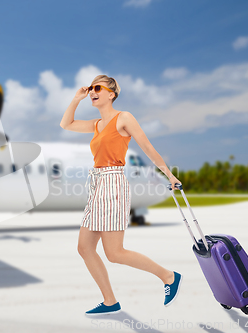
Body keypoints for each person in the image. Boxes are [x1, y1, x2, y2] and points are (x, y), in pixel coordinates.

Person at [60, 75, 183, 316]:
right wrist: (77, 98)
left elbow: (147, 148)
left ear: (111, 94)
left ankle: (168, 277)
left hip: (113, 183)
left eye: (98, 88)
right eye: (91, 88)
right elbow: (66, 124)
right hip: (96, 184)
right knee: (85, 248)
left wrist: (169, 175)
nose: (93, 92)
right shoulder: (96, 124)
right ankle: (110, 302)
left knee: (115, 253)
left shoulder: (123, 118)